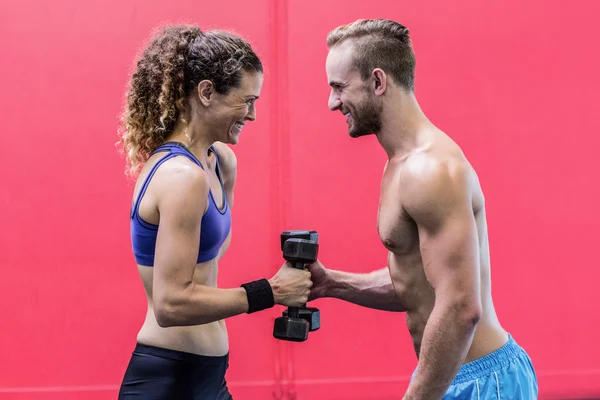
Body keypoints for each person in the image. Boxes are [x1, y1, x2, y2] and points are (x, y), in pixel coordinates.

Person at [308, 19, 538, 399]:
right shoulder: (401, 162)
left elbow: (462, 307)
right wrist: (333, 283)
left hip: (481, 384)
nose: (332, 102)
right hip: (453, 377)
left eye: (339, 87)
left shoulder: (428, 169)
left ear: (378, 81)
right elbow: (420, 283)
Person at [116, 25, 313, 400]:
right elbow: (171, 304)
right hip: (167, 380)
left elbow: (206, 271)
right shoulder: (180, 176)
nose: (252, 115)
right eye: (246, 100)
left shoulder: (220, 161)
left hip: (210, 377)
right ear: (206, 92)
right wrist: (270, 292)